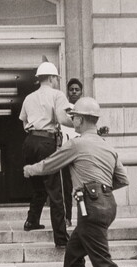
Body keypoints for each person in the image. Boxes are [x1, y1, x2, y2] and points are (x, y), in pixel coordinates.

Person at [24, 97, 137, 267]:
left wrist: (30, 169)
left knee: (104, 265)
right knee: (73, 253)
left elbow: (51, 164)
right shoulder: (107, 147)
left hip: (90, 207)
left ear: (81, 119)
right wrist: (101, 189)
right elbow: (122, 180)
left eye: (74, 117)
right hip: (106, 205)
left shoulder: (77, 145)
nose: (73, 121)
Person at [20, 61, 73, 247]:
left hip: (29, 142)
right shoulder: (57, 95)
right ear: (51, 78)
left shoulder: (28, 98)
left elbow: (24, 121)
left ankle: (31, 221)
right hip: (47, 142)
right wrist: (79, 122)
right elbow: (62, 118)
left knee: (37, 187)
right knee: (55, 189)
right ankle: (61, 237)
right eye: (56, 78)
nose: (57, 81)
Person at [62, 78, 84, 227]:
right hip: (66, 150)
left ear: (81, 91)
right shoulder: (64, 109)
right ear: (68, 92)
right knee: (66, 187)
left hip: (82, 152)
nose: (74, 92)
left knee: (83, 187)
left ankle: (84, 219)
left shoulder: (87, 107)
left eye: (77, 89)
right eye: (71, 89)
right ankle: (67, 218)